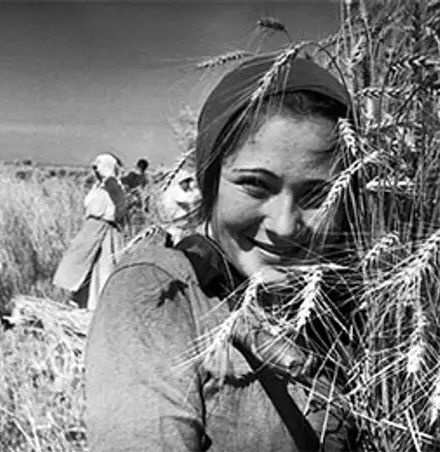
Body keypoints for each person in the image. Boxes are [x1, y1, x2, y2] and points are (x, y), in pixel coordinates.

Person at [85, 53, 358, 451]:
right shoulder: (158, 295)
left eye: (317, 194)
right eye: (255, 185)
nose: (285, 225)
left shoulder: (357, 298)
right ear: (209, 180)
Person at [52, 153, 127, 310]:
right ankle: (86, 304)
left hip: (105, 233)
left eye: (98, 167)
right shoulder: (100, 186)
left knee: (104, 267)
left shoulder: (113, 186)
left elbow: (114, 206)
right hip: (94, 230)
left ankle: (101, 307)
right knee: (89, 268)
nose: (95, 171)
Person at [158, 168, 200, 243]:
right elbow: (189, 200)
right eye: (187, 182)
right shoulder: (174, 191)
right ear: (181, 182)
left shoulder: (183, 191)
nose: (188, 184)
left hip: (182, 223)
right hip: (175, 225)